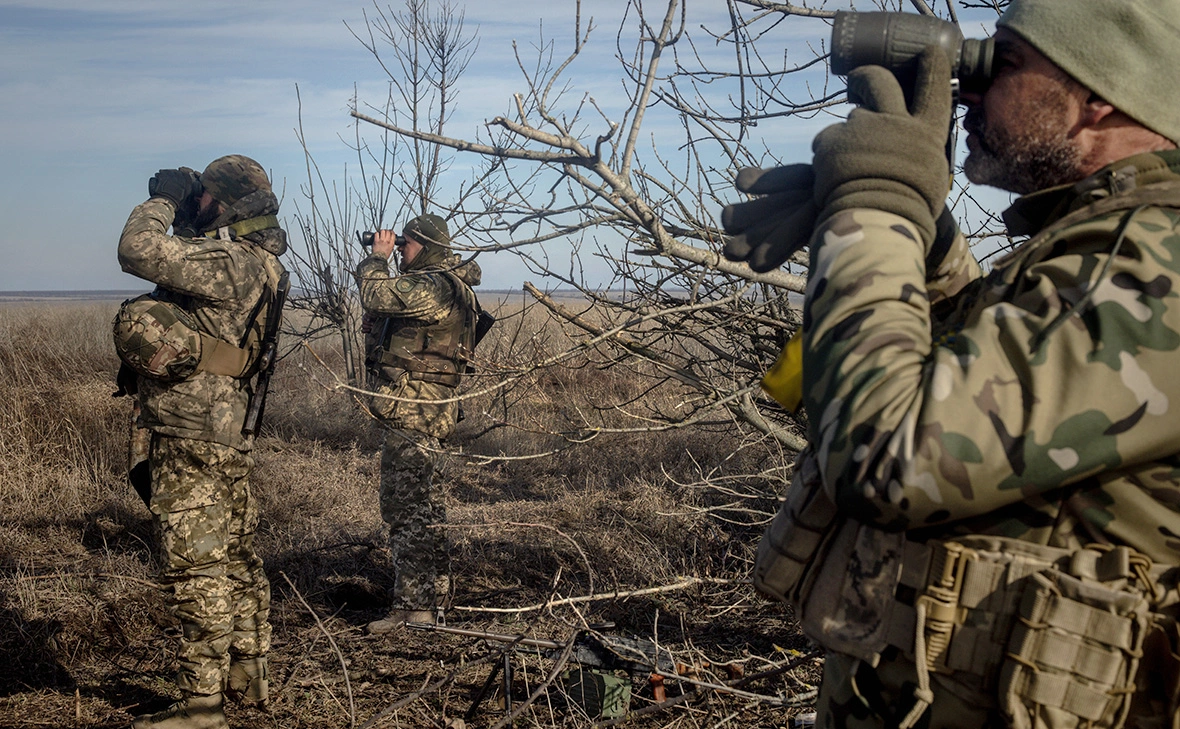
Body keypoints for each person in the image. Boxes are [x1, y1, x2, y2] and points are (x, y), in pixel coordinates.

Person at [727, 1, 1180, 727]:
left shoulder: (1157, 262)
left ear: (1100, 93)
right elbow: (991, 388)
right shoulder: (1107, 246)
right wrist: (926, 241)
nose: (965, 87)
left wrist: (877, 202)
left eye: (1003, 63)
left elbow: (892, 450)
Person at [116, 155, 288, 729]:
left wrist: (164, 200)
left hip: (192, 432)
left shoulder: (229, 261)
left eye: (206, 196)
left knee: (196, 570)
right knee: (235, 556)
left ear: (230, 204)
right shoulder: (258, 261)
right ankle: (248, 673)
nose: (198, 203)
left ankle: (202, 708)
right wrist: (196, 214)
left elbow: (137, 249)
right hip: (226, 430)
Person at [355, 214, 482, 634]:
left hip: (416, 411)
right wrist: (377, 332)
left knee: (405, 509)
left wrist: (377, 257)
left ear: (424, 246)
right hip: (428, 410)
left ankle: (412, 609)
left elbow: (374, 292)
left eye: (404, 244)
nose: (399, 251)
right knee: (428, 507)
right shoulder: (450, 286)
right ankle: (437, 597)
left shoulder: (435, 283)